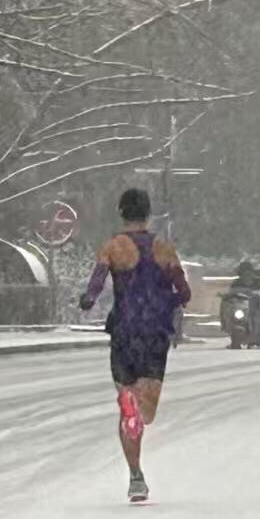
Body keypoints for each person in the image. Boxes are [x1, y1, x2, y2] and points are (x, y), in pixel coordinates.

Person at [78, 187, 190, 502]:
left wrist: (88, 300)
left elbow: (95, 285)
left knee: (128, 404)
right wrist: (166, 298)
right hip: (154, 335)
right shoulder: (164, 248)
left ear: (121, 212)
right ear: (148, 213)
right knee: (148, 412)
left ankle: (135, 474)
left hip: (124, 332)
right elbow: (184, 292)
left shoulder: (113, 247)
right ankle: (137, 408)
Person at [228, 258, 260, 347]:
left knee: (257, 320)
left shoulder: (258, 282)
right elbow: (231, 292)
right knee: (230, 315)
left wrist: (259, 295)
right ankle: (232, 336)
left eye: (248, 271)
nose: (246, 274)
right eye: (243, 272)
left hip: (255, 306)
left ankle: (256, 341)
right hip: (240, 306)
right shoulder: (236, 282)